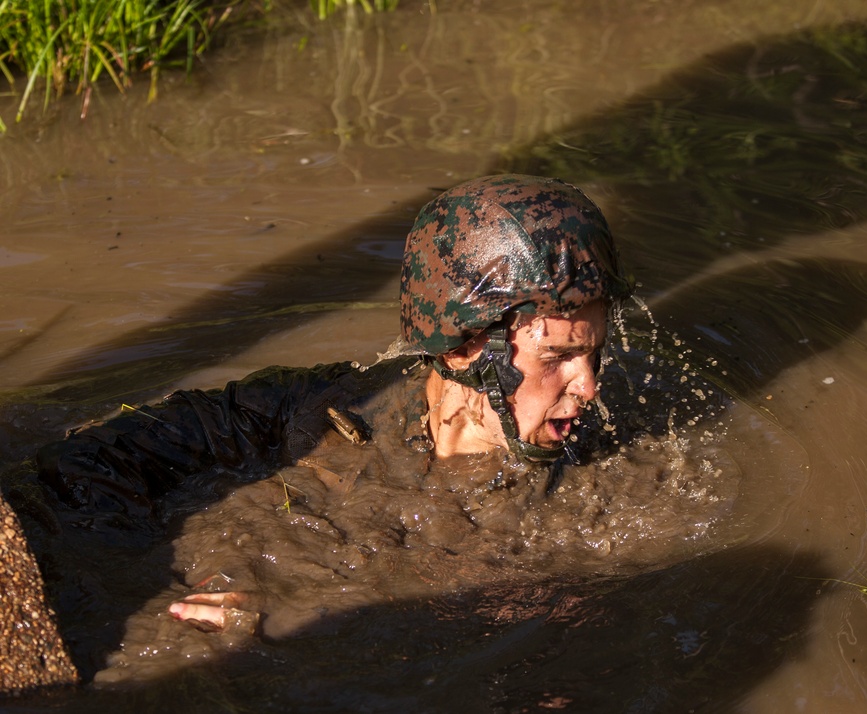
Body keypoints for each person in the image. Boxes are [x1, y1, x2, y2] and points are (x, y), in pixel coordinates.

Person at [34, 173, 634, 632]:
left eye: (594, 353)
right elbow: (84, 465)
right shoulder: (319, 408)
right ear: (464, 350)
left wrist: (304, 607)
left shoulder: (612, 485)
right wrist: (149, 583)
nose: (590, 387)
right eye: (557, 359)